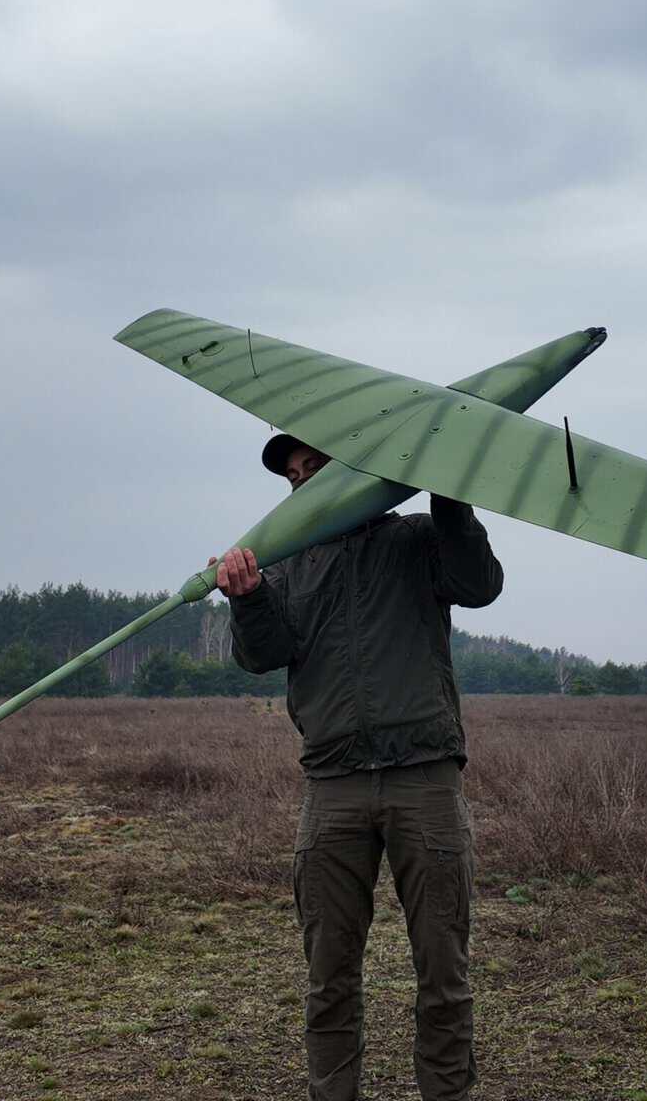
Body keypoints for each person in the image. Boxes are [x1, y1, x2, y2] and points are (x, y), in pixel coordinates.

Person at [214, 432, 503, 1101]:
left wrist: (451, 499)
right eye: (293, 476)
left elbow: (478, 584)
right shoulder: (287, 561)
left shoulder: (416, 538)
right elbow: (262, 654)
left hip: (423, 777)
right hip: (332, 785)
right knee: (328, 976)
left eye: (313, 466)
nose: (302, 481)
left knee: (442, 972)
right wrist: (248, 597)